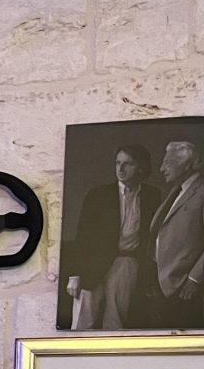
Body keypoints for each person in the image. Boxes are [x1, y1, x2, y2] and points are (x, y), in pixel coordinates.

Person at [67, 145, 160, 329]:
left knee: (116, 322)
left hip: (127, 263)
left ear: (141, 167)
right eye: (118, 163)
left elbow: (153, 235)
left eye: (128, 164)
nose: (120, 169)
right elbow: (82, 235)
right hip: (93, 263)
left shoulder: (152, 196)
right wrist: (74, 274)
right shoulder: (98, 194)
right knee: (81, 322)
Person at [149, 140, 204, 329]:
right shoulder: (177, 190)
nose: (161, 169)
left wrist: (195, 278)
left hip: (185, 287)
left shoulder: (201, 191)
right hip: (164, 284)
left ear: (186, 164)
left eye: (167, 163)